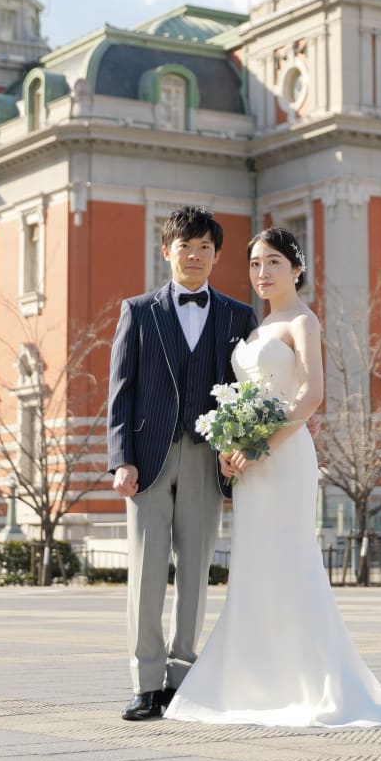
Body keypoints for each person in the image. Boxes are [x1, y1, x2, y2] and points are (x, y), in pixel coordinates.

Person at [165, 227, 381, 728]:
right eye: (254, 264)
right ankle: (258, 682)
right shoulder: (255, 328)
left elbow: (311, 395)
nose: (262, 272)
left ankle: (315, 683)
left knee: (291, 560)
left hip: (284, 458)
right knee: (254, 565)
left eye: (273, 262)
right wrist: (229, 445)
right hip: (251, 466)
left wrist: (259, 446)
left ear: (296, 269)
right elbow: (241, 397)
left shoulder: (303, 321)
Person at [108, 206, 258, 722]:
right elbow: (121, 392)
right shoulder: (138, 311)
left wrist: (239, 447)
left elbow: (247, 392)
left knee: (195, 573)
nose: (194, 255)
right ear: (166, 251)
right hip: (147, 461)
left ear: (216, 256)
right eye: (185, 247)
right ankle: (146, 683)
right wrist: (121, 460)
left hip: (207, 459)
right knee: (146, 574)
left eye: (204, 248)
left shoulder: (239, 316)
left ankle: (181, 678)